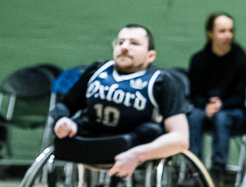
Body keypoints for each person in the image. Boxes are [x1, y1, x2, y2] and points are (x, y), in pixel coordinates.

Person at [52, 24, 189, 178]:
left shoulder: (162, 81)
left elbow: (180, 139)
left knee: (150, 130)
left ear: (150, 56)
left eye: (134, 43)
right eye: (120, 42)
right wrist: (62, 120)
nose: (124, 47)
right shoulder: (97, 70)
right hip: (89, 141)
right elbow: (66, 104)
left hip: (132, 146)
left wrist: (138, 154)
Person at [185, 12, 246, 187]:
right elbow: (195, 94)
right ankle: (194, 171)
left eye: (230, 31)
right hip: (205, 107)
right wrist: (207, 105)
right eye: (222, 31)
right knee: (193, 116)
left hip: (233, 111)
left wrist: (221, 105)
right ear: (211, 33)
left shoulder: (241, 59)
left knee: (222, 118)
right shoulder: (198, 60)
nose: (228, 35)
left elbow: (240, 96)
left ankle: (218, 172)